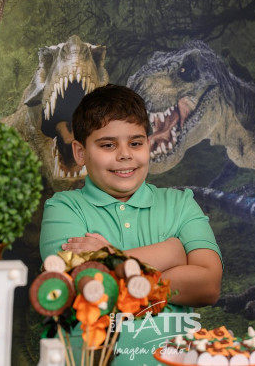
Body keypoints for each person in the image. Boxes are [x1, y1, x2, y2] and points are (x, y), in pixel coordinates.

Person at [40, 84, 222, 366]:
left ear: (148, 144)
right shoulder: (63, 208)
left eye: (136, 143)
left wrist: (111, 258)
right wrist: (172, 253)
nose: (125, 154)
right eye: (108, 145)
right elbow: (89, 288)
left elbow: (208, 285)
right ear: (80, 152)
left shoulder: (181, 204)